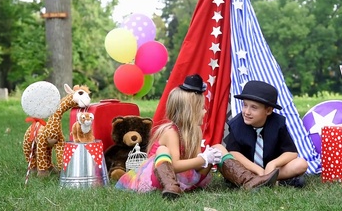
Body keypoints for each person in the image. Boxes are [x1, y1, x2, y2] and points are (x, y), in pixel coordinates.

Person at [116, 74, 279, 199]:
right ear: (189, 113)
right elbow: (176, 166)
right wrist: (203, 159)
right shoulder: (170, 132)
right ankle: (171, 188)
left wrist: (210, 158)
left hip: (184, 178)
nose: (205, 111)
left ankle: (248, 180)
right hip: (159, 178)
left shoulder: (195, 131)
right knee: (163, 150)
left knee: (218, 148)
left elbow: (192, 166)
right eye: (201, 108)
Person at [224, 80, 309, 188]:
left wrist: (273, 164)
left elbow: (291, 153)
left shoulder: (278, 124)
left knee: (301, 164)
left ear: (268, 110)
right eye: (245, 105)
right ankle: (265, 181)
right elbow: (234, 153)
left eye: (254, 107)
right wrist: (258, 170)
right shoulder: (236, 125)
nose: (247, 112)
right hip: (248, 170)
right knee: (228, 164)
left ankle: (266, 180)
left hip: (270, 169)